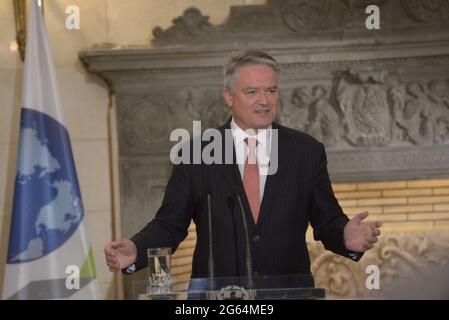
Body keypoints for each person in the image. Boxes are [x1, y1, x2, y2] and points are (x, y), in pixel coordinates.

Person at [104, 50, 381, 284]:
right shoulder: (195, 153)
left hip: (288, 293)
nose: (264, 100)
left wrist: (346, 234)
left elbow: (327, 220)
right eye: (252, 92)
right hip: (219, 297)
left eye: (271, 91)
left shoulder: (306, 151)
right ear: (229, 96)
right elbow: (169, 226)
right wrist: (136, 249)